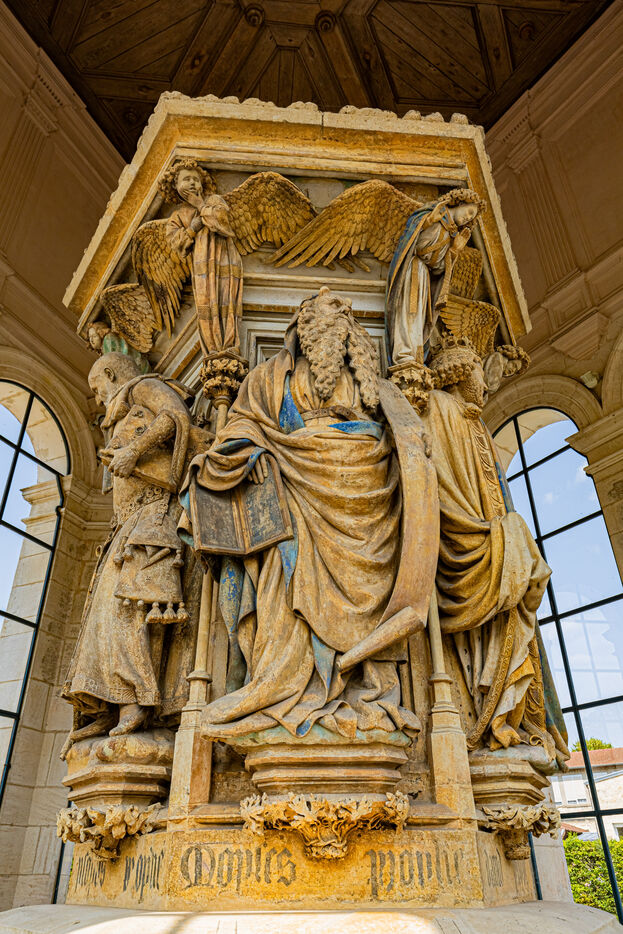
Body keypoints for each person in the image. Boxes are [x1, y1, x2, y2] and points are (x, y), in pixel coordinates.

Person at [180, 287, 438, 742]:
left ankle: (360, 687)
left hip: (365, 491)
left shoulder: (370, 381)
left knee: (370, 586)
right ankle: (279, 685)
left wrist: (412, 446)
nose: (328, 310)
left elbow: (410, 438)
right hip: (291, 484)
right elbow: (240, 424)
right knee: (280, 576)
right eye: (318, 313)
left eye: (338, 311)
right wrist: (249, 452)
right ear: (300, 328)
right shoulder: (268, 377)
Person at [423, 338, 569, 765]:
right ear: (459, 373)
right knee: (521, 548)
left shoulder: (472, 419)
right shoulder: (439, 408)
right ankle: (494, 717)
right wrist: (497, 535)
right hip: (469, 543)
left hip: (488, 540)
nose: (485, 386)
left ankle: (506, 716)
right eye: (478, 373)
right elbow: (439, 484)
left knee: (524, 566)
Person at [62, 353, 200, 752]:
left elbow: (175, 416)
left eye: (97, 387)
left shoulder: (143, 387)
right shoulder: (125, 408)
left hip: (151, 517)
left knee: (129, 610)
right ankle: (109, 702)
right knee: (105, 617)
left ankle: (135, 703)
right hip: (129, 525)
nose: (98, 397)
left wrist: (134, 450)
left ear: (111, 374)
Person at [160, 159, 243, 355]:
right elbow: (177, 244)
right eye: (186, 179)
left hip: (224, 259)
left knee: (225, 298)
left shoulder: (213, 201)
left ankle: (229, 343)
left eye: (196, 180)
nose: (192, 183)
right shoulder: (177, 217)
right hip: (201, 267)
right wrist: (192, 228)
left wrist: (200, 205)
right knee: (206, 301)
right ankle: (213, 348)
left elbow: (222, 221)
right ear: (175, 185)